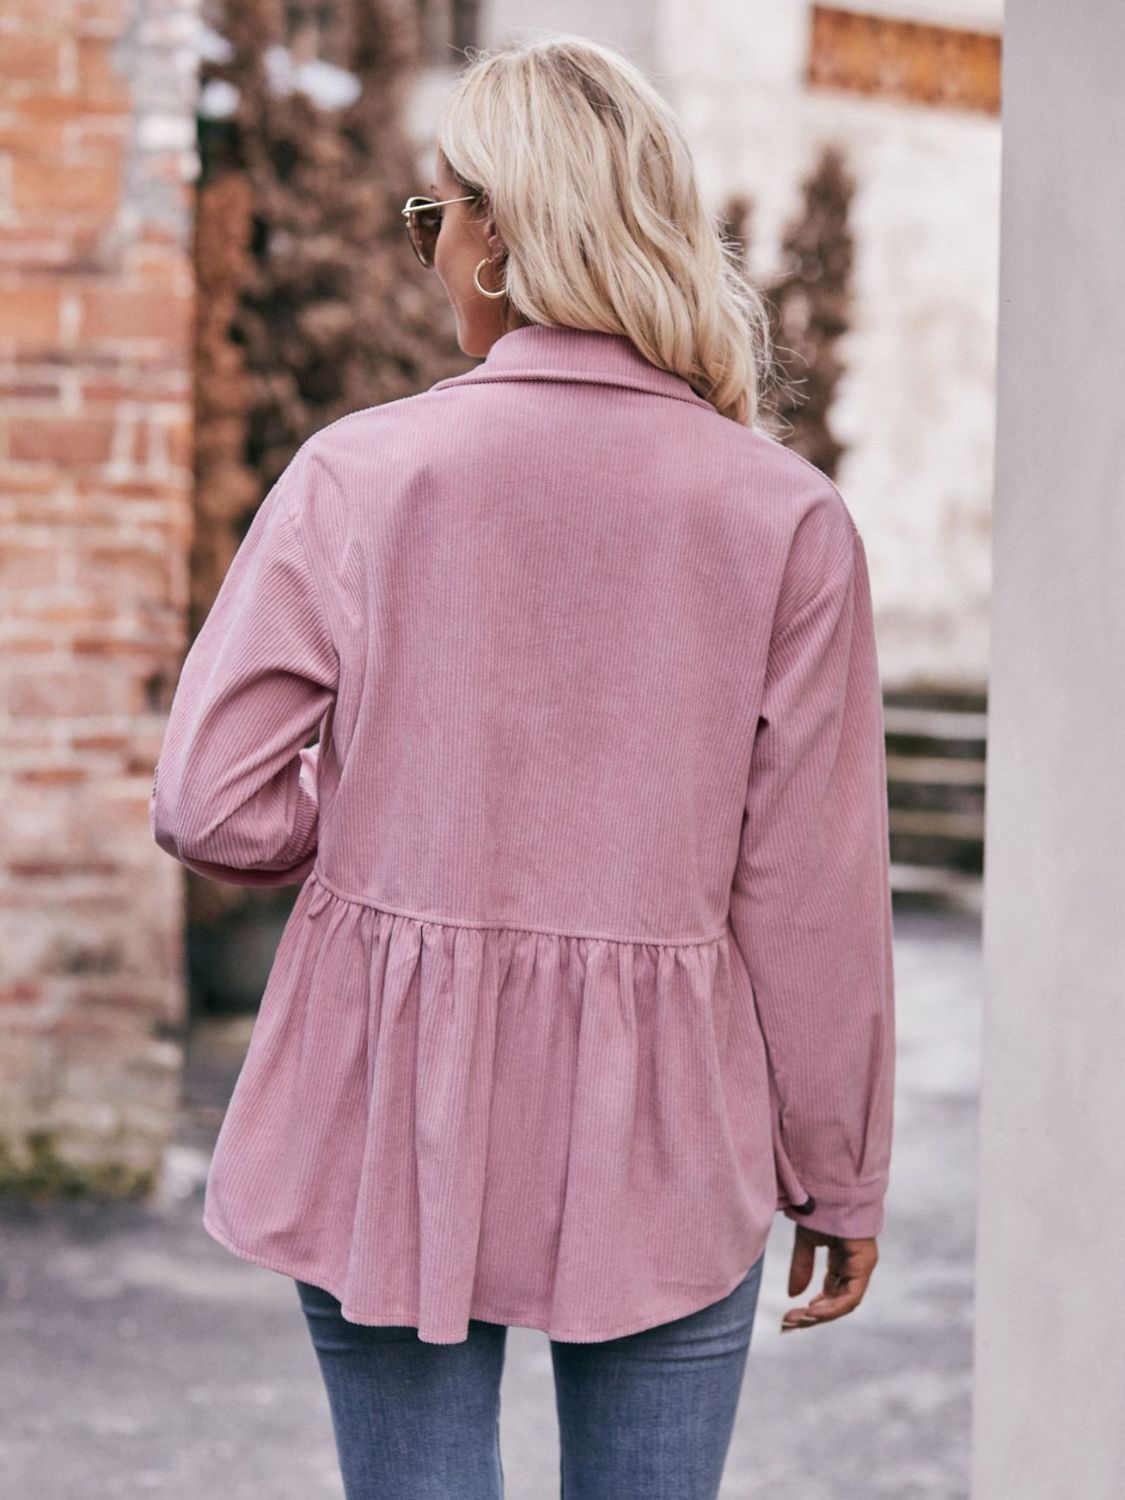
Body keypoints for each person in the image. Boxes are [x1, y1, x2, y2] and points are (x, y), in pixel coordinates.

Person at [150, 32, 895, 1500]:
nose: (430, 251)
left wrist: (380, 817)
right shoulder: (785, 520)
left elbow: (210, 801)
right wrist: (840, 1169)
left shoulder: (361, 475)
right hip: (665, 1126)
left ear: (495, 235)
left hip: (389, 1102)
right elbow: (808, 896)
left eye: (433, 216)